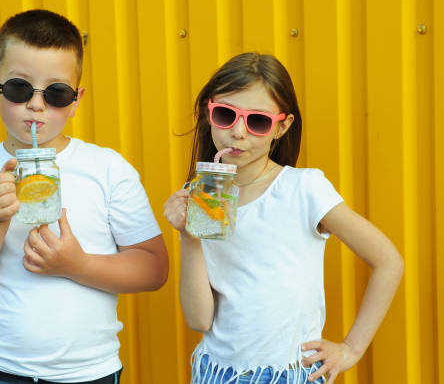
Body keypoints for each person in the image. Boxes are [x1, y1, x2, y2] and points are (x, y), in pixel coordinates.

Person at [0, 9, 168, 384]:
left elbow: (154, 269)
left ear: (75, 100)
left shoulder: (108, 169)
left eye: (56, 92)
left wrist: (76, 265)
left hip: (87, 373)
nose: (37, 105)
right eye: (19, 88)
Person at [163, 52, 403, 384]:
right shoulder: (202, 196)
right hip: (216, 372)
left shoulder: (303, 189)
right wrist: (189, 237)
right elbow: (200, 320)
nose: (238, 132)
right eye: (225, 114)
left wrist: (350, 348)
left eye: (257, 121)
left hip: (289, 374)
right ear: (210, 111)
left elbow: (388, 261)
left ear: (282, 127)